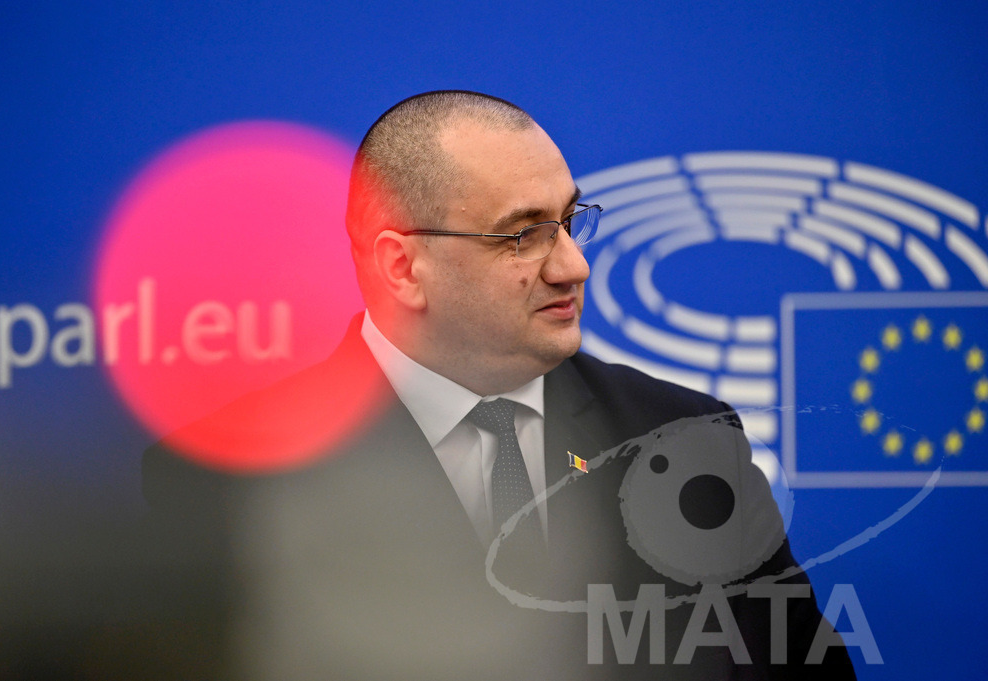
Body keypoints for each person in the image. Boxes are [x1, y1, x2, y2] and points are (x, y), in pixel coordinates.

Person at [143, 90, 856, 680]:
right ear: (402, 266)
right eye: (523, 234)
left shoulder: (684, 440)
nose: (572, 265)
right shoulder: (229, 480)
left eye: (571, 220)